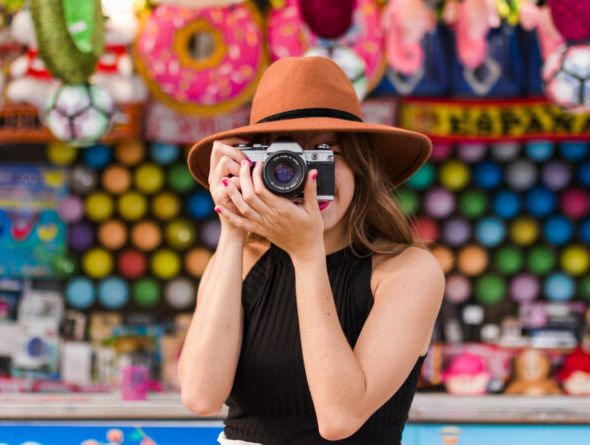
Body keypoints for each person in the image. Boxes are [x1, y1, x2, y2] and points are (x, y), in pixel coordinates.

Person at [179, 57, 445, 444]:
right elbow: (201, 396)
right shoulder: (238, 262)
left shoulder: (407, 271)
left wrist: (307, 256)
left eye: (324, 153)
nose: (306, 178)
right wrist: (233, 229)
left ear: (360, 164)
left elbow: (339, 418)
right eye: (283, 161)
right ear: (255, 169)